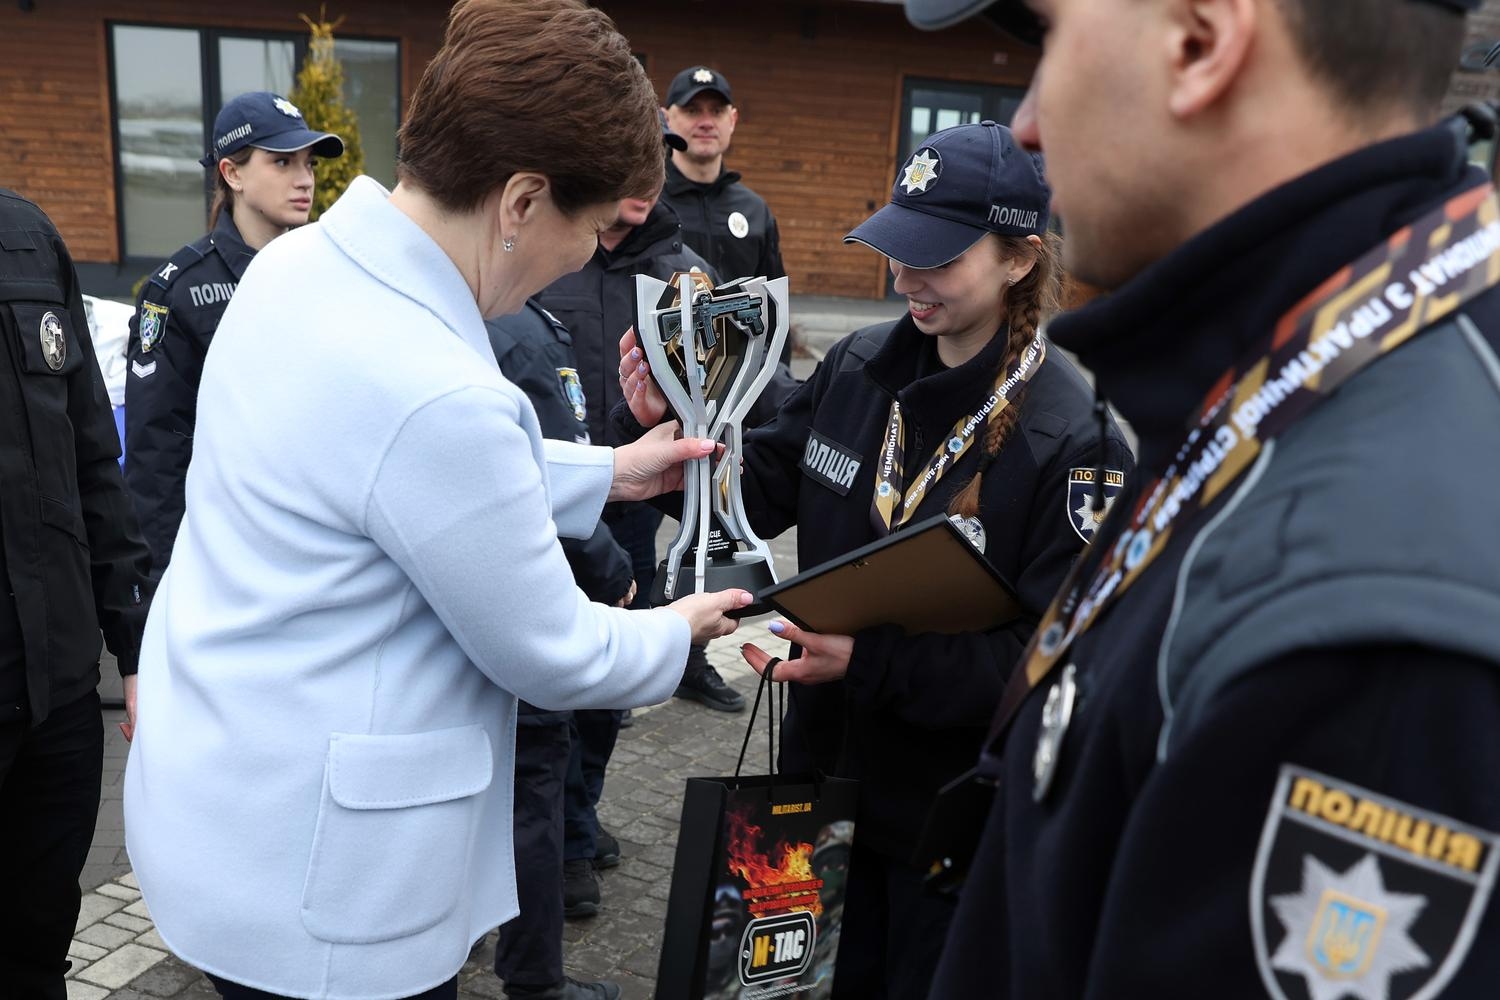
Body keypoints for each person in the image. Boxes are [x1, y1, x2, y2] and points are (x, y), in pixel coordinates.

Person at [123, 3, 752, 999]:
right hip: (337, 904)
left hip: (231, 814)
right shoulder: (432, 385)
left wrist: (610, 472)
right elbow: (546, 645)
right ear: (523, 201)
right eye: (592, 229)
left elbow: (380, 473)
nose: (591, 255)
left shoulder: (300, 267)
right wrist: (678, 631)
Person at [897, 1, 1500, 998]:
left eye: (1048, 39)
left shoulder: (1367, 617)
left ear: (1200, 39)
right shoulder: (1301, 373)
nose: (1030, 122)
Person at [621, 121, 1133, 998]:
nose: (904, 278)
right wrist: (684, 432)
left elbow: (1052, 673)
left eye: (937, 257)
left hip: (947, 831)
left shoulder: (1076, 445)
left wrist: (870, 662)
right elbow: (764, 491)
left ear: (1018, 259)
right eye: (898, 248)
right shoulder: (859, 367)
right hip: (817, 793)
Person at [540, 117, 751, 718]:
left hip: (638, 493)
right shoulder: (549, 258)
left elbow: (729, 379)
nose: (645, 178)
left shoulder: (686, 274)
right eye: (629, 159)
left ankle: (593, 774)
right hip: (545, 489)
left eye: (658, 160)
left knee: (617, 654)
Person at [0, 189, 153, 998]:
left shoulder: (28, 238)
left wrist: (134, 645)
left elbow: (95, 455)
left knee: (37, 949)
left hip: (56, 695)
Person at [125, 90, 344, 575]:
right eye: (283, 163)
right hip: (224, 560)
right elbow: (157, 455)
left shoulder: (332, 275)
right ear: (233, 173)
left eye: (308, 164)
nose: (304, 180)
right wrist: (159, 588)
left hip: (319, 554)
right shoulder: (179, 290)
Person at [485, 300, 632, 1000]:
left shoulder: (508, 317)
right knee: (530, 788)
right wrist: (612, 568)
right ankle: (536, 979)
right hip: (535, 598)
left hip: (506, 596)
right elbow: (527, 481)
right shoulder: (517, 333)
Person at [659, 65, 786, 290]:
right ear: (666, 118)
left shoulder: (755, 211)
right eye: (692, 110)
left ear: (733, 120)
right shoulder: (649, 203)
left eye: (717, 111)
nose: (706, 122)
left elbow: (773, 305)